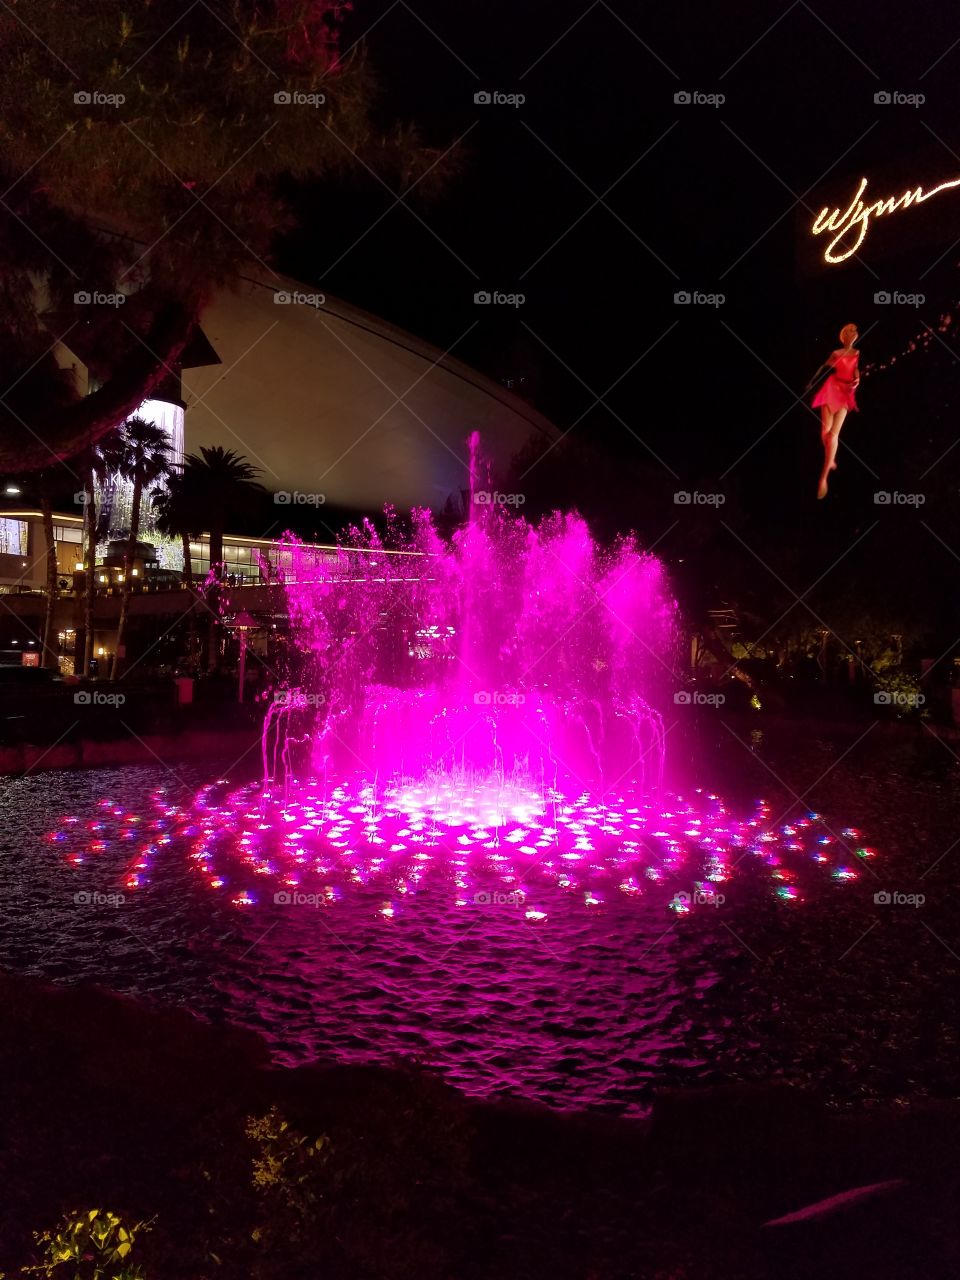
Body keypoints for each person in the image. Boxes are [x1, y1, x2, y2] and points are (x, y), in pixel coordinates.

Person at [809, 323, 860, 499]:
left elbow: (855, 369)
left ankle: (824, 477)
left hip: (846, 392)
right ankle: (830, 457)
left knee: (832, 436)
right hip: (832, 388)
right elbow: (823, 366)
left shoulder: (856, 353)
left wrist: (858, 379)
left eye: (855, 330)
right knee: (825, 432)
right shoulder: (836, 353)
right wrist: (812, 381)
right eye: (851, 330)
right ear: (844, 335)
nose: (855, 332)